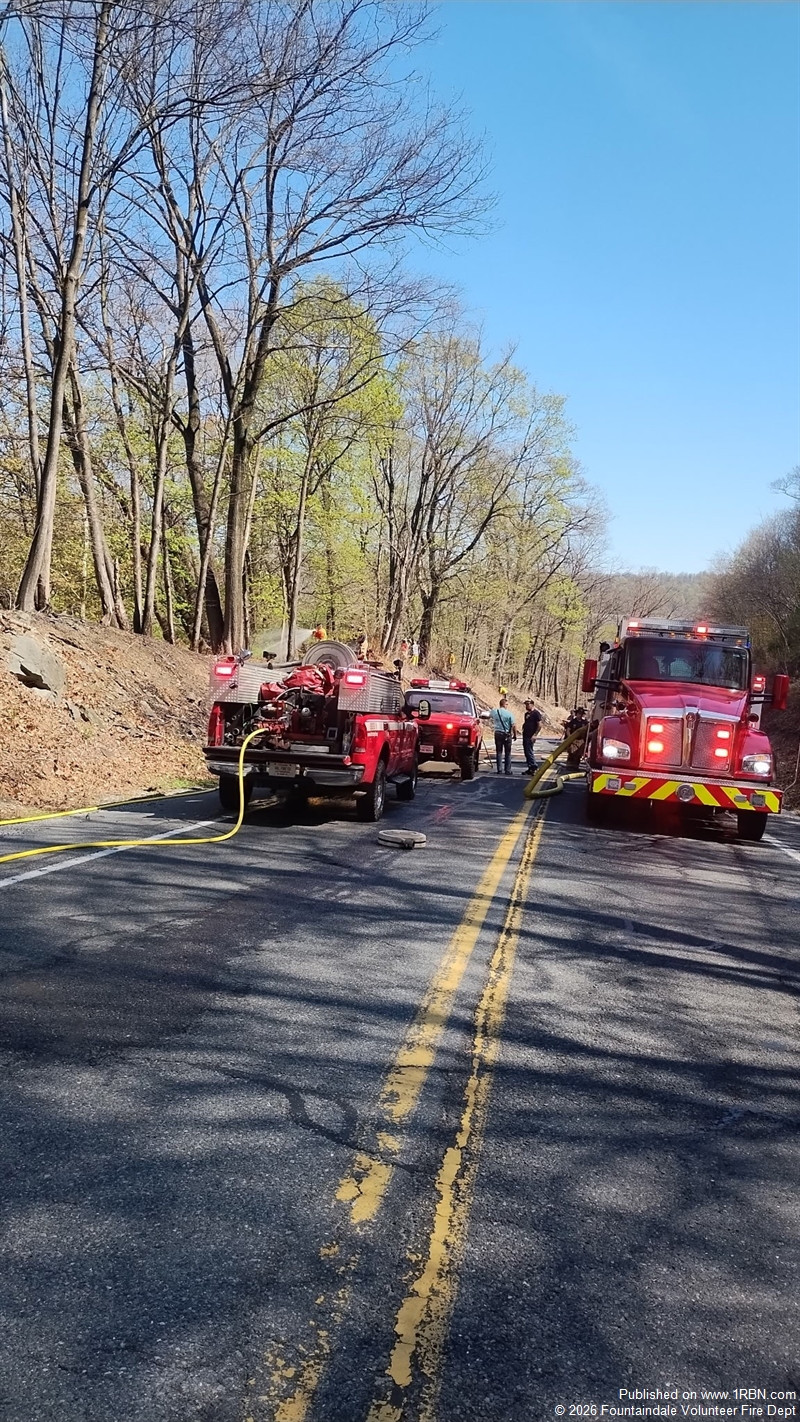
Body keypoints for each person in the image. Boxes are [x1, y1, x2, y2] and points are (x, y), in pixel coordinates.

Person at [490, 696, 516, 774]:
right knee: (508, 753)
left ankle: (499, 769)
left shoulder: (495, 712)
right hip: (507, 734)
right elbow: (514, 725)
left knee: (499, 752)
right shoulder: (509, 714)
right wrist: (515, 735)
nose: (507, 706)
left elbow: (488, 715)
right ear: (504, 705)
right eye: (507, 704)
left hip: (498, 733)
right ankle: (507, 770)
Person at [521, 699, 542, 775]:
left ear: (532, 704)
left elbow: (539, 725)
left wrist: (535, 735)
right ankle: (530, 768)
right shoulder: (526, 714)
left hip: (531, 736)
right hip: (525, 734)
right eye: (526, 704)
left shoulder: (536, 713)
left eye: (528, 704)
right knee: (526, 752)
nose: (527, 706)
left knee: (529, 752)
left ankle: (534, 767)